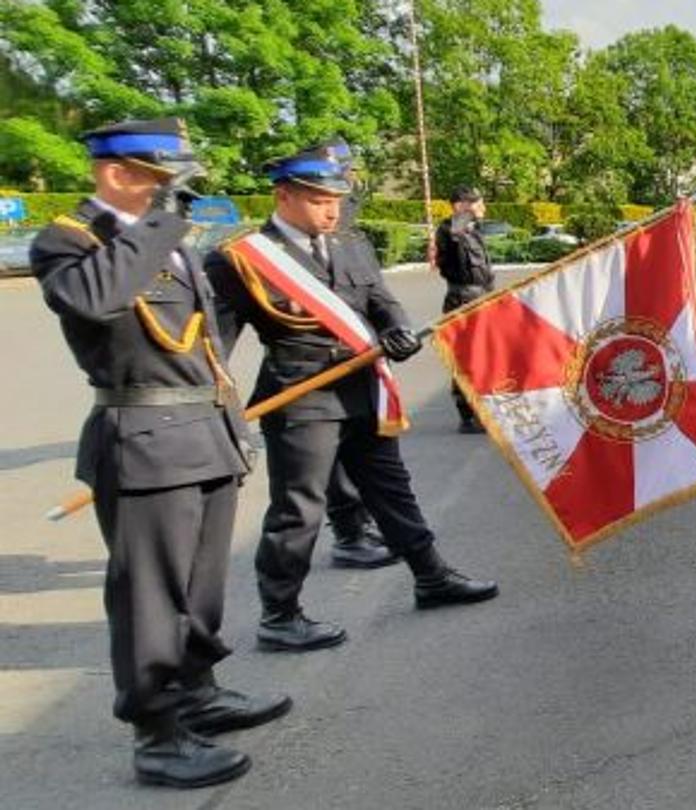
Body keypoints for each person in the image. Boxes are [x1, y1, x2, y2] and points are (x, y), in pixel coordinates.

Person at [30, 118, 290, 788]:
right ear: (118, 173)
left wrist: (231, 423)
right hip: (143, 438)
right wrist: (160, 221)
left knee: (200, 589)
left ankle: (197, 694)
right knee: (151, 596)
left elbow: (201, 343)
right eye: (162, 177)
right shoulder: (70, 241)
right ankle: (157, 731)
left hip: (204, 432)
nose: (174, 192)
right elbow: (95, 300)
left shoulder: (163, 241)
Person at [204, 144, 498, 654]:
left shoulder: (350, 243)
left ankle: (431, 576)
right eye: (319, 199)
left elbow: (381, 303)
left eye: (337, 198)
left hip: (364, 390)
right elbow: (216, 346)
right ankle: (280, 614)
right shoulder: (244, 258)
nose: (332, 209)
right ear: (285, 196)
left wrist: (398, 331)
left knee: (392, 489)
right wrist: (214, 411)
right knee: (299, 510)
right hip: (301, 398)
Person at [319, 138, 394, 569]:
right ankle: (349, 532)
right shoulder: (294, 241)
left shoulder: (350, 236)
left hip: (361, 361)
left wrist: (394, 325)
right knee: (330, 464)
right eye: (343, 176)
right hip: (321, 371)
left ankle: (370, 526)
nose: (350, 183)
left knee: (370, 457)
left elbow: (375, 291)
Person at [433, 186, 494, 434]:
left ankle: (481, 409)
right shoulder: (452, 230)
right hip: (463, 299)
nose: (483, 209)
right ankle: (468, 415)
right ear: (461, 206)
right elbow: (454, 233)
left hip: (482, 296)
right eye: (477, 204)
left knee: (484, 357)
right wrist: (463, 215)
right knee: (466, 358)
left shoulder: (471, 231)